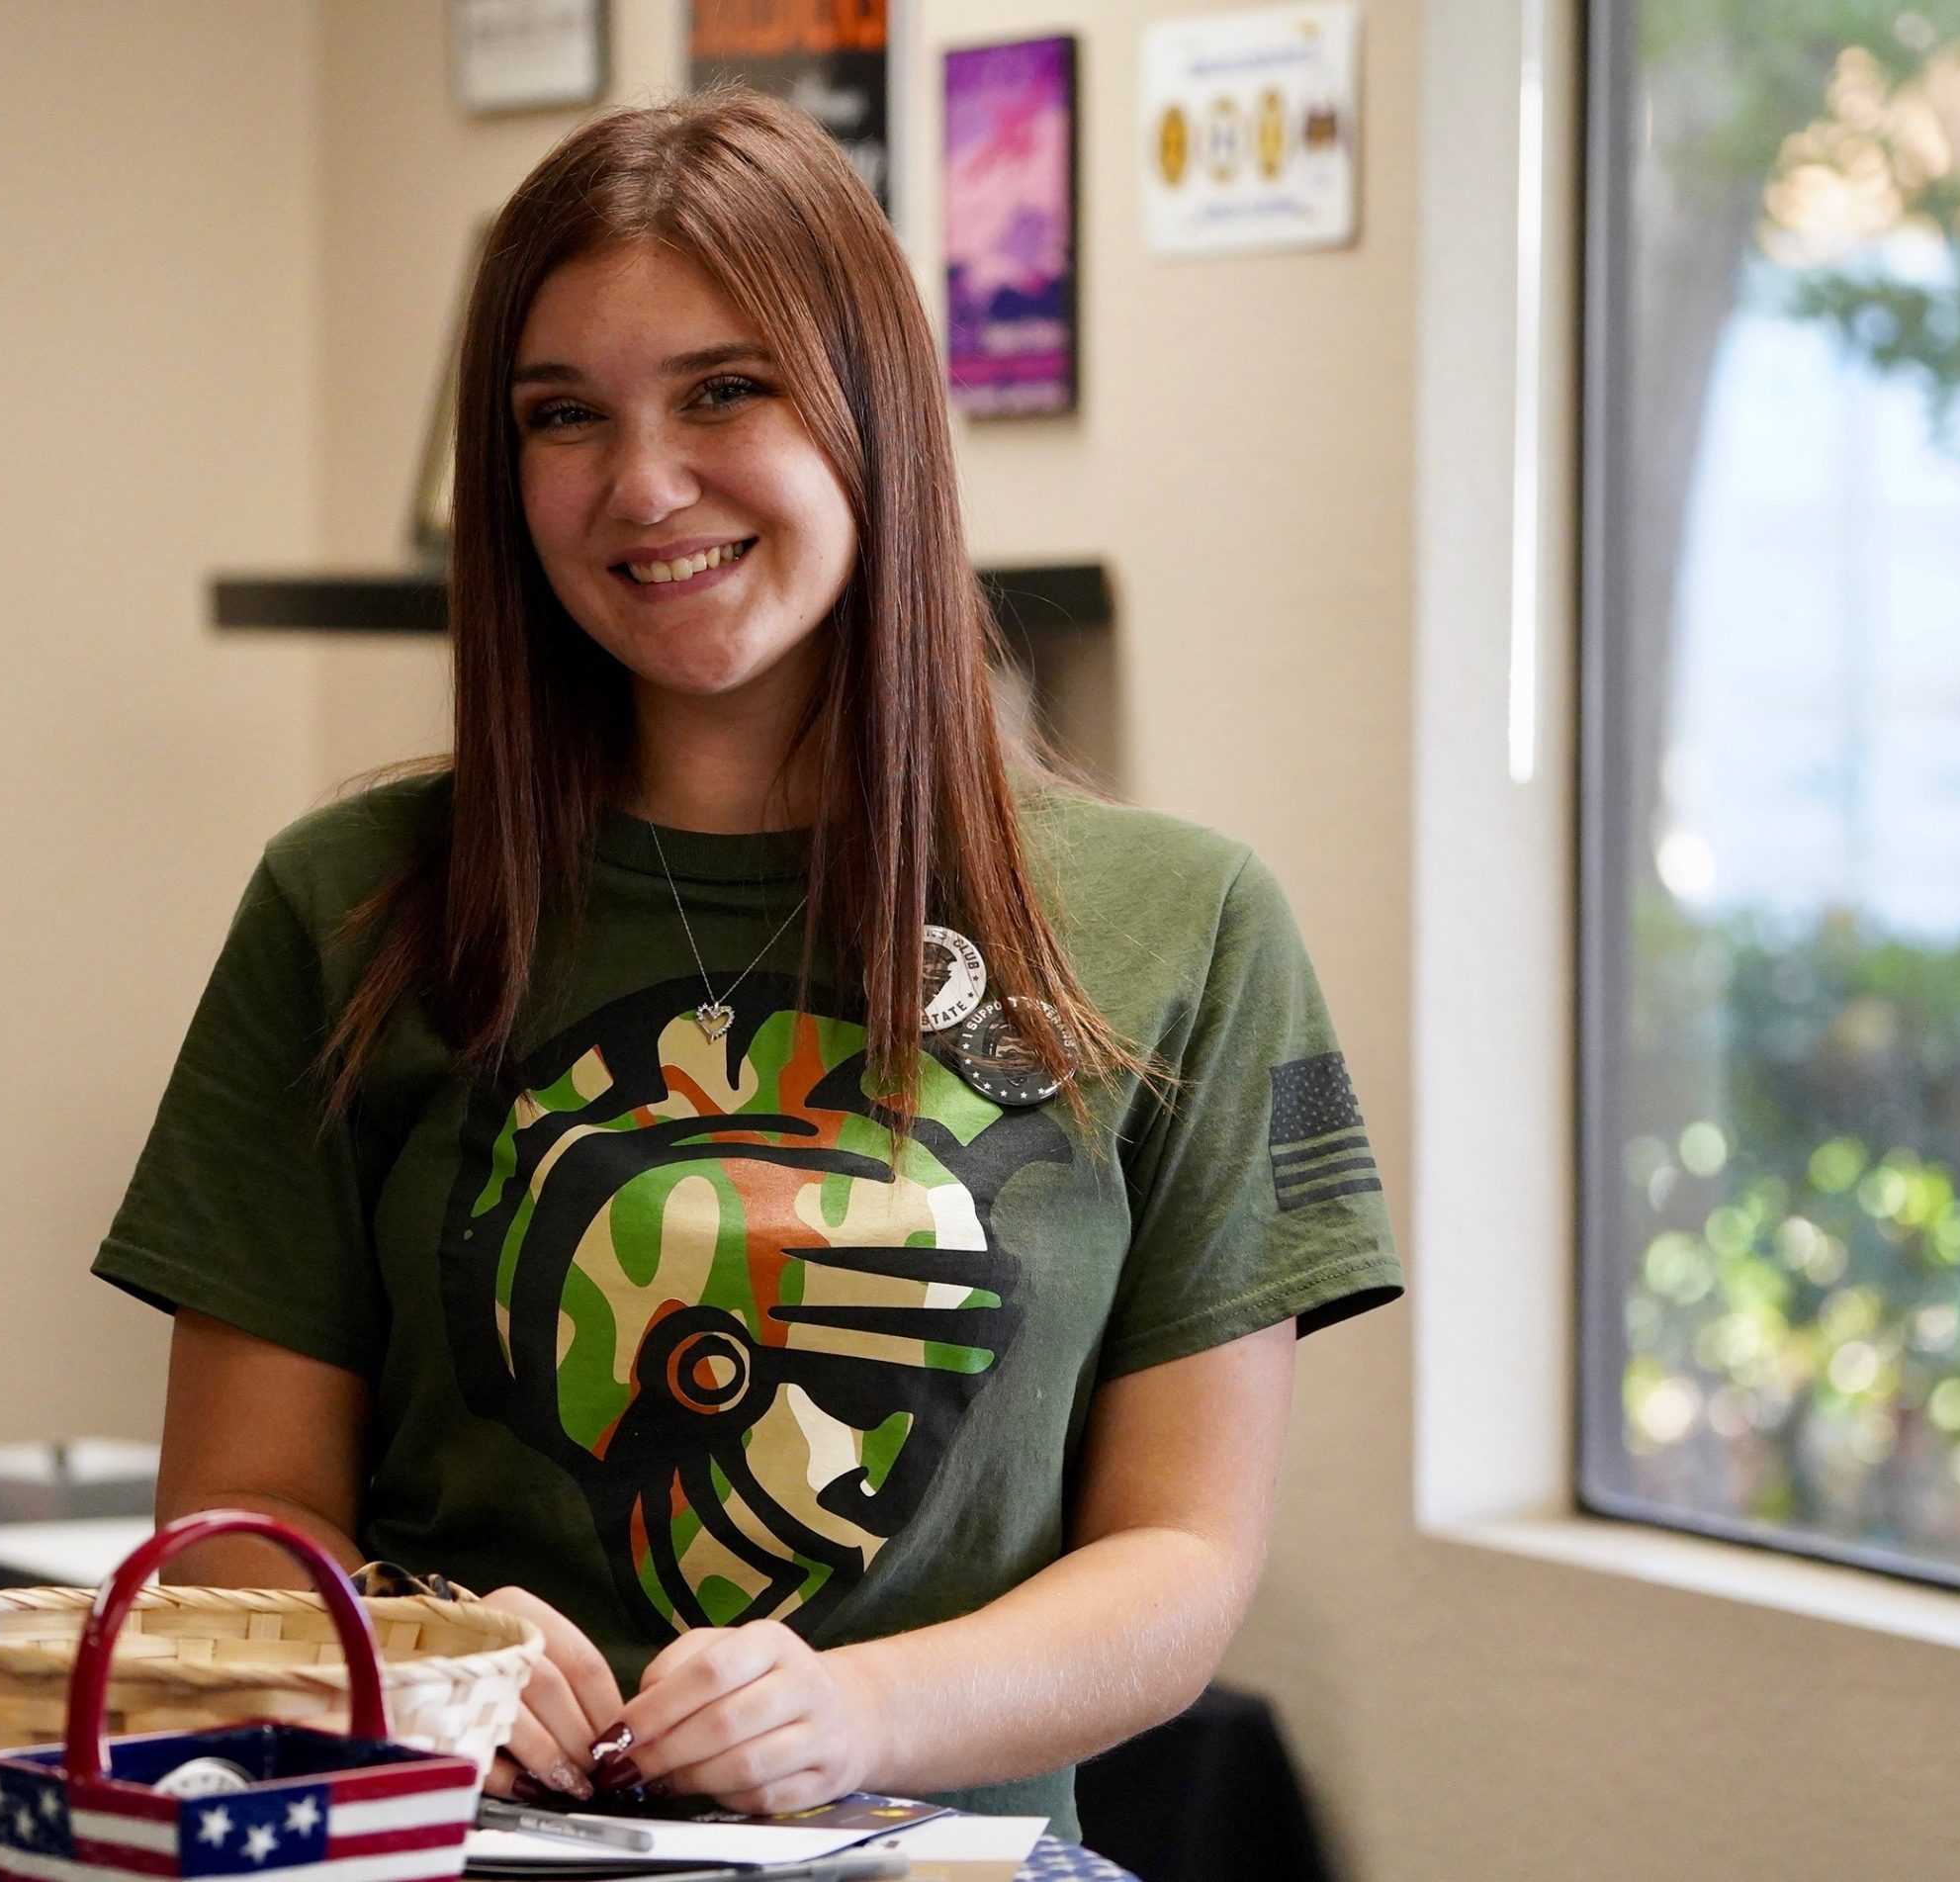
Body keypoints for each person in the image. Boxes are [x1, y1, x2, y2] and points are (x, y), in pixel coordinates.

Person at [93, 90, 1401, 1840]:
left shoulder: (1185, 926)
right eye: (565, 417)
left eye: (727, 389)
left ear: (875, 410)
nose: (645, 486)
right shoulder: (343, 903)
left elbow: (1179, 1558)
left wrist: (859, 1707)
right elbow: (239, 1528)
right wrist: (419, 1653)